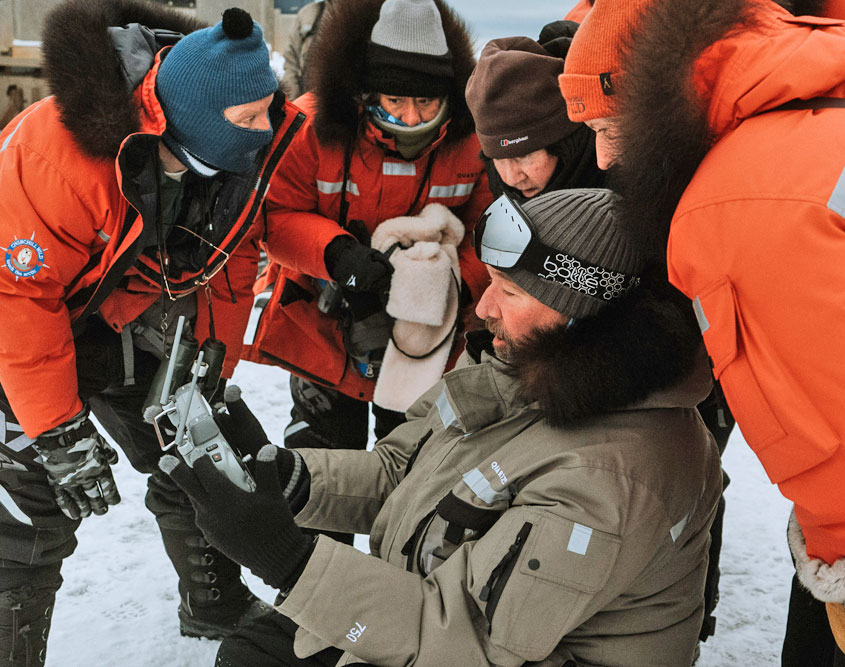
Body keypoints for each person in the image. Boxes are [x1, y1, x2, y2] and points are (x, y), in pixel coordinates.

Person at [564, 0, 845, 663]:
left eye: (605, 126)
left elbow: (843, 445)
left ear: (654, 101)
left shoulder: (738, 199)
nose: (601, 158)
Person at [163, 187, 722, 667]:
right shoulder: (523, 371)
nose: (485, 308)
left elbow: (470, 642)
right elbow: (403, 471)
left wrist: (288, 561)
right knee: (257, 650)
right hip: (438, 618)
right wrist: (287, 477)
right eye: (493, 282)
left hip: (476, 646)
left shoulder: (610, 478)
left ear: (584, 317)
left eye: (512, 291)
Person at [0, 1, 305, 662]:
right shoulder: (54, 156)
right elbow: (17, 298)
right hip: (17, 326)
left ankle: (214, 601)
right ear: (194, 118)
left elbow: (233, 257)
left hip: (120, 314)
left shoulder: (232, 162)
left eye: (267, 113)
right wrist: (57, 430)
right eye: (249, 118)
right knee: (26, 509)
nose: (266, 130)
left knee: (197, 446)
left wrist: (209, 370)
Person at [245, 0, 491, 490]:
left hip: (426, 341)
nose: (411, 117)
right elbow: (274, 216)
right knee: (321, 478)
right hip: (322, 327)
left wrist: (454, 286)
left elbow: (490, 232)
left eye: (427, 102)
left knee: (413, 481)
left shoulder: (473, 139)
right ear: (365, 91)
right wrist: (336, 255)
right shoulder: (309, 127)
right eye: (395, 100)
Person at [464, 26, 604, 202]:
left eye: (523, 156)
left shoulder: (624, 177)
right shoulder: (501, 183)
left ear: (566, 144)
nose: (511, 178)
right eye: (497, 159)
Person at [280, 0, 334, 101]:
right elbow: (291, 61)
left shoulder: (355, 13)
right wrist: (292, 100)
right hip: (305, 95)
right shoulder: (307, 14)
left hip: (335, 100)